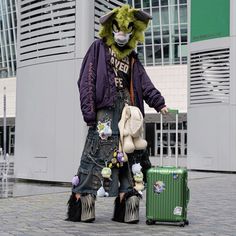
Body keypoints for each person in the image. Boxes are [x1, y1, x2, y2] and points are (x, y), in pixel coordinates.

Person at [66, 4, 168, 224]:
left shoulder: (132, 57)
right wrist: (89, 113)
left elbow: (144, 82)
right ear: (111, 28)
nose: (122, 34)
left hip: (129, 114)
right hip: (104, 114)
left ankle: (127, 201)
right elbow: (86, 81)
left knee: (130, 158)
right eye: (119, 28)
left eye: (128, 29)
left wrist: (159, 103)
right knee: (96, 156)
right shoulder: (98, 48)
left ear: (134, 31)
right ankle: (84, 201)